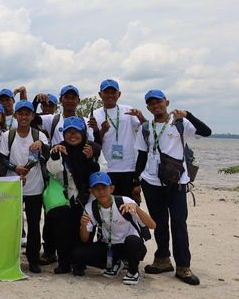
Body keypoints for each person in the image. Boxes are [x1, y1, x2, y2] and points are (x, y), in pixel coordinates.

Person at [134, 89, 212, 285]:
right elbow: (142, 156)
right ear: (147, 107)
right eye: (151, 103)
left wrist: (188, 115)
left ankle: (183, 266)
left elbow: (206, 132)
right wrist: (136, 181)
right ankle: (162, 259)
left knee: (179, 223)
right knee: (159, 223)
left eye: (158, 102)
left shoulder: (180, 123)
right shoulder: (145, 127)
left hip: (177, 182)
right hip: (151, 182)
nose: (155, 105)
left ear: (166, 102)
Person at [72, 172, 156, 285]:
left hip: (131, 246)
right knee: (78, 254)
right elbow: (84, 239)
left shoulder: (125, 201)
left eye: (104, 188)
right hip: (110, 246)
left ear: (111, 188)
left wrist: (136, 208)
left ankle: (133, 271)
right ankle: (116, 262)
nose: (101, 192)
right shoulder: (90, 207)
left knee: (132, 241)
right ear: (91, 191)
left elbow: (152, 225)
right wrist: (83, 225)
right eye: (96, 189)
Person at [0, 99, 49, 273]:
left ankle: (33, 259)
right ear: (15, 115)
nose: (24, 117)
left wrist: (41, 145)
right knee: (12, 223)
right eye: (21, 113)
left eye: (27, 113)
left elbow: (47, 154)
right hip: (13, 186)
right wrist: (15, 168)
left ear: (32, 115)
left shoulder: (38, 135)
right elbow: (2, 158)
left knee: (34, 224)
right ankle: (10, 258)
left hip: (34, 186)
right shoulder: (8, 135)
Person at [46, 116, 101, 273]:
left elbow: (102, 172)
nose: (72, 135)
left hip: (88, 199)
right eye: (68, 132)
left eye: (76, 132)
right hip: (67, 198)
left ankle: (80, 264)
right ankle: (64, 263)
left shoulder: (94, 148)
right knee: (63, 232)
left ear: (83, 132)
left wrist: (90, 160)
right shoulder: (58, 148)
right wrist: (56, 156)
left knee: (86, 230)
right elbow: (53, 172)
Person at [88, 79, 146, 200]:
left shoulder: (128, 110)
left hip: (128, 168)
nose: (110, 95)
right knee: (107, 205)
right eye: (106, 92)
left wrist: (140, 117)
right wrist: (103, 130)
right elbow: (95, 144)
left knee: (130, 206)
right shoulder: (95, 115)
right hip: (106, 168)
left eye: (113, 92)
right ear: (100, 94)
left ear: (119, 94)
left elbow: (147, 129)